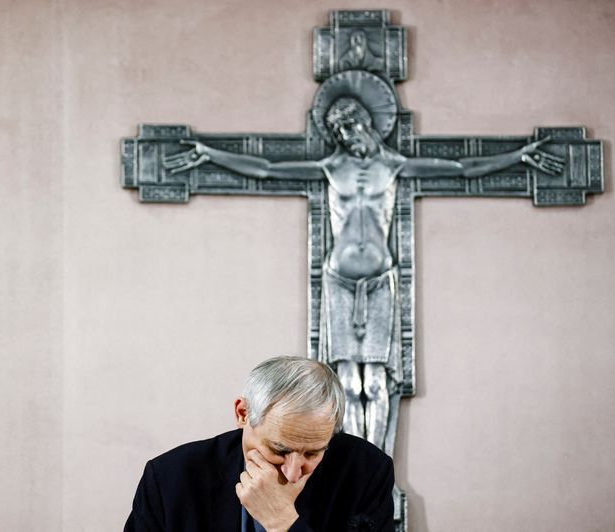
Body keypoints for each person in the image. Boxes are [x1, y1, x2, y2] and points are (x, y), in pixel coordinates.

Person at [162, 73, 564, 456]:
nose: (345, 139)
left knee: (376, 383)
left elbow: (461, 169)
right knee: (346, 385)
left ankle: (376, 470)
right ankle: (349, 473)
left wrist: (520, 157)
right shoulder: (331, 167)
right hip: (338, 281)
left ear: (366, 123)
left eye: (349, 129)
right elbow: (268, 169)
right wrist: (210, 154)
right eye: (338, 133)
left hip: (378, 283)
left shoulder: (394, 165)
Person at [124, 356, 396, 531]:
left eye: (312, 453)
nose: (292, 472)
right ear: (243, 414)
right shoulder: (170, 478)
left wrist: (282, 521)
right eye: (279, 450)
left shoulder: (366, 472)